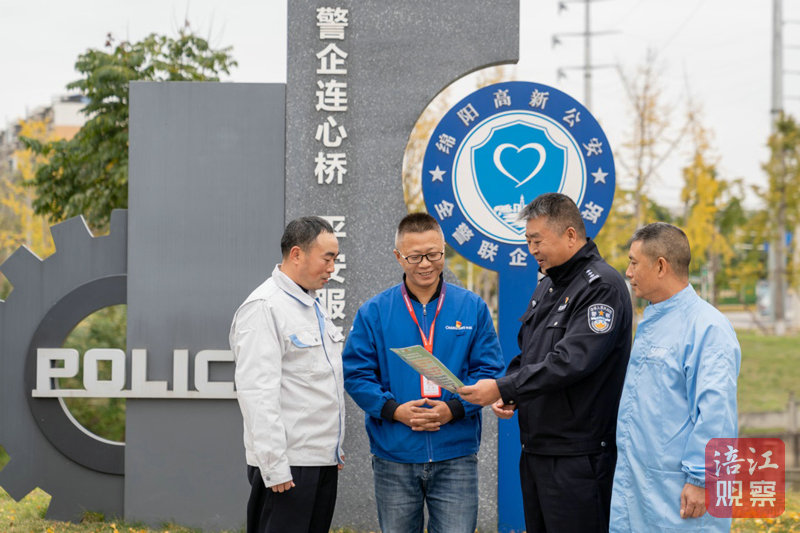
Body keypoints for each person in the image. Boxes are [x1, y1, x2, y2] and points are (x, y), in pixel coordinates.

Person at [459, 192, 632, 533]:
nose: (532, 250)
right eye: (528, 241)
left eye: (537, 240)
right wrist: (510, 392)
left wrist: (504, 387)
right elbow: (531, 353)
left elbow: (570, 361)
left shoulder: (601, 288)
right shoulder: (549, 285)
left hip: (577, 458)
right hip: (538, 450)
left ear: (570, 235)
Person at [342, 212, 505, 533]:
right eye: (414, 257)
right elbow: (357, 373)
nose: (425, 264)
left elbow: (490, 370)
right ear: (398, 257)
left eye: (434, 254)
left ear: (444, 251)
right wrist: (394, 410)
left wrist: (454, 409)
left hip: (455, 453)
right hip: (395, 454)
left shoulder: (471, 307)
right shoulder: (374, 312)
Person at [609, 222, 740, 532]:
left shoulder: (707, 328)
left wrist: (702, 479)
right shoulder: (653, 320)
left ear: (660, 266)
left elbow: (717, 412)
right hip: (640, 488)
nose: (628, 272)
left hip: (681, 494)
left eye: (634, 262)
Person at [229, 216, 346, 533]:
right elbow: (257, 393)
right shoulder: (265, 307)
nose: (332, 268)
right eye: (327, 258)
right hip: (288, 467)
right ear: (296, 254)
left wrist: (332, 449)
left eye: (335, 259)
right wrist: (274, 466)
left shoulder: (312, 305)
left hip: (319, 461)